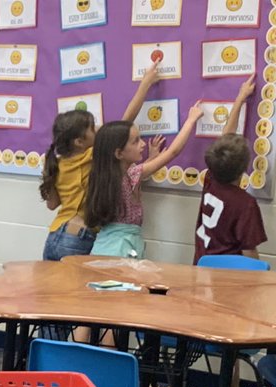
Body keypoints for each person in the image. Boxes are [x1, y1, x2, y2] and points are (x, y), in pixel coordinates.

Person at [40, 62, 162, 261]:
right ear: (80, 142)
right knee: (79, 292)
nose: (98, 129)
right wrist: (145, 85)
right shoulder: (92, 156)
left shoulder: (53, 161)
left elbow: (52, 204)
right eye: (92, 128)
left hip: (55, 235)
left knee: (52, 291)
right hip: (79, 236)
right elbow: (126, 120)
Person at [84, 100, 205, 258]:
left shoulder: (106, 176)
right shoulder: (129, 176)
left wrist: (152, 158)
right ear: (119, 153)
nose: (142, 144)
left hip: (108, 246)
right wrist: (191, 120)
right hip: (119, 251)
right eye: (135, 141)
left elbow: (136, 175)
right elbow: (173, 152)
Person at [194, 76, 266, 262]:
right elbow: (250, 252)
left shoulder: (211, 180)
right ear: (244, 167)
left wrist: (240, 98)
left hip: (201, 266)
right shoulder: (245, 203)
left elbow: (224, 138)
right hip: (228, 277)